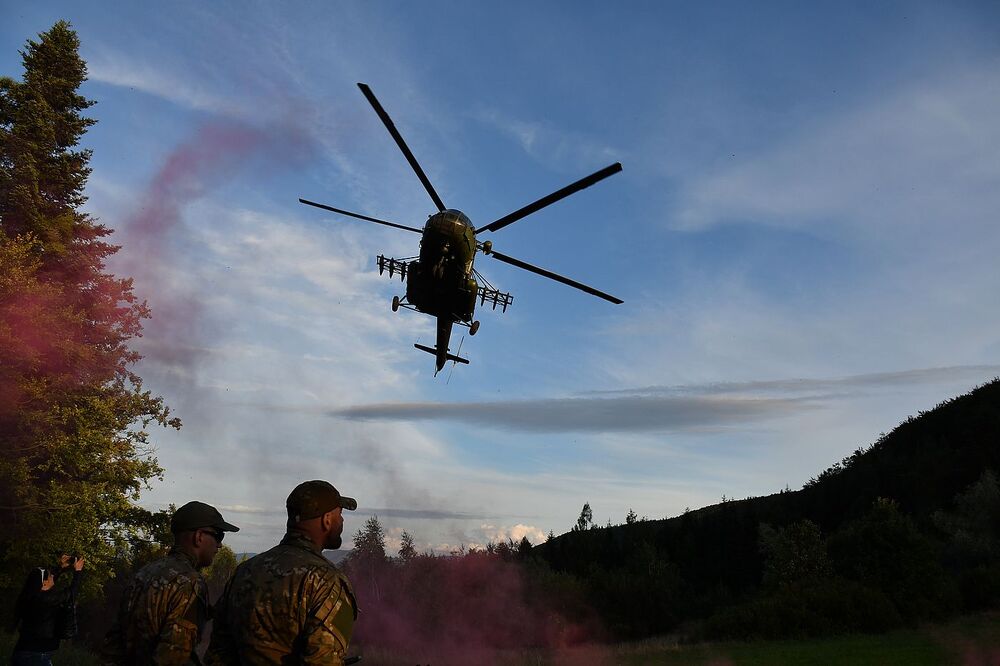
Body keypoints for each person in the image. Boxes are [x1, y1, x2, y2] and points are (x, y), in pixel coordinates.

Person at [206, 480, 359, 665]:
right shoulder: (326, 581)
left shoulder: (246, 570)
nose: (342, 521)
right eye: (340, 514)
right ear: (326, 520)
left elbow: (217, 653)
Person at [102, 501, 239, 665]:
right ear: (199, 536)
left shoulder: (144, 572)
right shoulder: (190, 583)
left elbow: (114, 644)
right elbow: (174, 658)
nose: (220, 545)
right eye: (218, 536)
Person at [10, 554, 85, 665]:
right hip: (38, 655)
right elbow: (71, 593)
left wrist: (61, 567)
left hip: (22, 651)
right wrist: (78, 571)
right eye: (50, 575)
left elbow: (46, 582)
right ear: (44, 583)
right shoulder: (47, 599)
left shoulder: (32, 596)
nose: (52, 576)